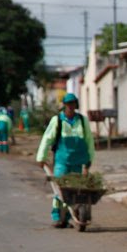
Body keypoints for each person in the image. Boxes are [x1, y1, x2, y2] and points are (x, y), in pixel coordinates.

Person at [36, 93, 95, 228]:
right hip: (62, 161)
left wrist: (89, 159)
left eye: (73, 104)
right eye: (68, 104)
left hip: (78, 161)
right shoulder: (57, 120)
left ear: (76, 105)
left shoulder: (82, 120)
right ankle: (57, 216)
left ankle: (68, 217)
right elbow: (47, 138)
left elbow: (89, 141)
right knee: (59, 189)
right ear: (64, 105)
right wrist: (41, 157)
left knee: (74, 191)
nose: (71, 107)